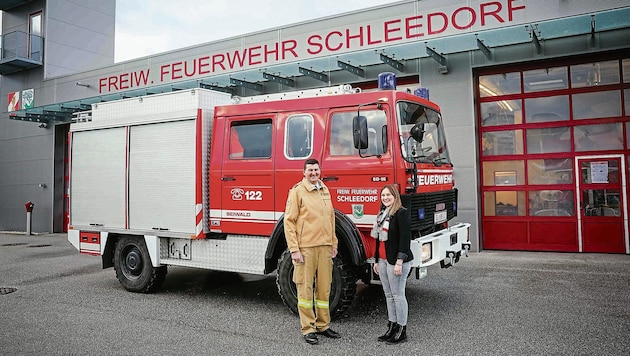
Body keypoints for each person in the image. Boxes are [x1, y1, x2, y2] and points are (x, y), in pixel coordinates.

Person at [284, 158, 340, 345]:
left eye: (316, 170)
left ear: (320, 171)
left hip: (325, 247)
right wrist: (294, 250)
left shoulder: (325, 190)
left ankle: (323, 325)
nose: (314, 173)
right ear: (304, 172)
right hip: (306, 247)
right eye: (310, 170)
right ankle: (308, 328)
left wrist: (333, 243)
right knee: (305, 289)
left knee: (324, 288)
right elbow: (289, 222)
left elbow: (331, 219)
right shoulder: (298, 192)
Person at [371, 184, 413, 344]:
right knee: (388, 295)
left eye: (388, 195)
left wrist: (399, 262)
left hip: (396, 261)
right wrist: (376, 260)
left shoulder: (401, 214)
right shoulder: (382, 215)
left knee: (398, 295)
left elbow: (405, 239)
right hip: (382, 260)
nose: (386, 198)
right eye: (383, 196)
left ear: (395, 196)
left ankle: (402, 330)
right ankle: (392, 326)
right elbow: (378, 241)